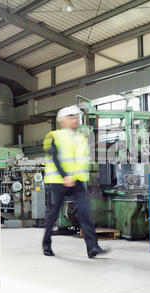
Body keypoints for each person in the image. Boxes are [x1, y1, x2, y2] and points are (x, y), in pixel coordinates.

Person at [42, 106, 107, 259]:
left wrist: (74, 177)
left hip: (77, 181)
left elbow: (83, 161)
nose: (75, 119)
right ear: (62, 120)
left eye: (76, 116)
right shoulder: (54, 136)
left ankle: (93, 247)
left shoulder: (81, 139)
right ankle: (46, 244)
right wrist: (65, 176)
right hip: (58, 181)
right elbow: (55, 157)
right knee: (53, 214)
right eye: (71, 116)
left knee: (85, 212)